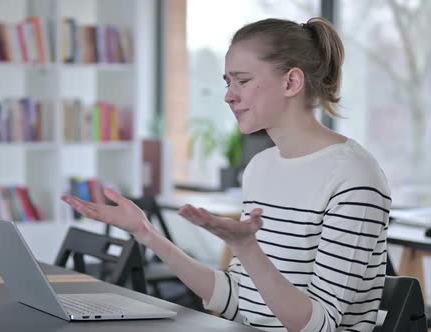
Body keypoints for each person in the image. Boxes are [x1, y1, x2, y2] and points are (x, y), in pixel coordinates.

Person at [62, 17, 390, 332]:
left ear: (291, 81)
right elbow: (236, 298)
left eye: (242, 80)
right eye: (227, 82)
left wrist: (248, 249)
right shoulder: (261, 168)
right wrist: (145, 233)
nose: (229, 95)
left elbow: (318, 326)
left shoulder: (353, 176)